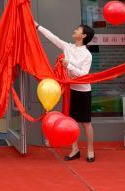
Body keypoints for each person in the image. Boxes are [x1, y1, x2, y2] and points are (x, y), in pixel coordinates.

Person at [34, 21, 96, 162]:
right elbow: (53, 37)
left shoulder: (87, 55)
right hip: (70, 90)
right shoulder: (68, 47)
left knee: (86, 122)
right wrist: (38, 26)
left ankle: (90, 149)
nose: (75, 30)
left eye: (78, 30)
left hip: (83, 91)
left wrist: (69, 65)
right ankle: (75, 150)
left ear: (83, 36)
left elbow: (83, 74)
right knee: (71, 121)